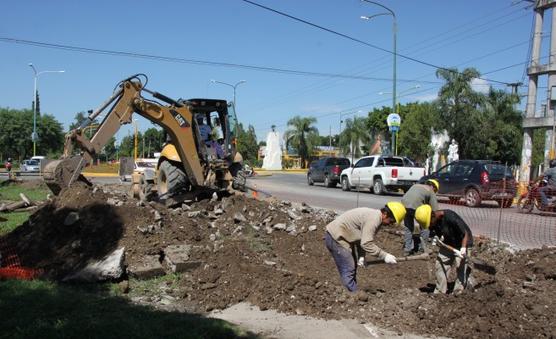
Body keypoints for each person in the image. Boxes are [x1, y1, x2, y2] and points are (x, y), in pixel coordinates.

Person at [324, 202, 406, 292]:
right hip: (335, 238)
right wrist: (384, 255)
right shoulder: (374, 219)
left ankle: (351, 291)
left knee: (352, 266)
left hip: (343, 236)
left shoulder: (376, 218)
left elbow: (362, 238)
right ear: (385, 214)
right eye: (391, 221)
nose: (391, 224)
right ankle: (353, 295)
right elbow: (366, 243)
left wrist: (361, 256)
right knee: (349, 267)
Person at [415, 205, 473, 294]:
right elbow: (434, 233)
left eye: (430, 223)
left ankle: (458, 291)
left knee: (460, 266)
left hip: (463, 242)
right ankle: (439, 291)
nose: (430, 225)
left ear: (433, 215)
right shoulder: (433, 221)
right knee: (440, 264)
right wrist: (436, 238)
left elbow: (465, 233)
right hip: (448, 243)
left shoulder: (450, 217)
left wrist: (463, 248)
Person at [401, 179, 439, 256]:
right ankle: (423, 249)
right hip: (416, 206)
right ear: (433, 187)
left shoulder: (415, 185)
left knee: (408, 227)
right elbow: (435, 210)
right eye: (435, 190)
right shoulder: (431, 190)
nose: (435, 192)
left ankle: (407, 249)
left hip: (404, 205)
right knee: (425, 227)